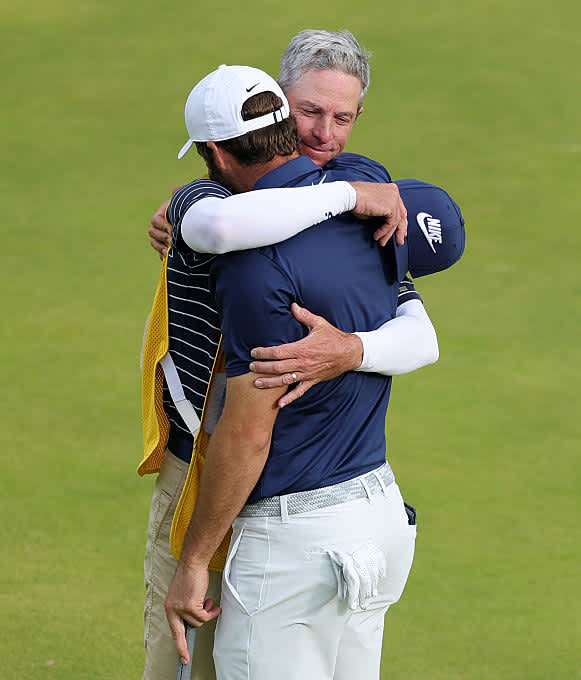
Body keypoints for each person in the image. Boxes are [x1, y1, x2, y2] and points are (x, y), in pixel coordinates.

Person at [139, 31, 465, 680]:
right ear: (281, 110)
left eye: (341, 118)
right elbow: (221, 224)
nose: (324, 133)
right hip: (358, 512)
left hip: (263, 502)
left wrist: (350, 349)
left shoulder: (347, 198)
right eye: (310, 112)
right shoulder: (354, 195)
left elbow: (248, 429)